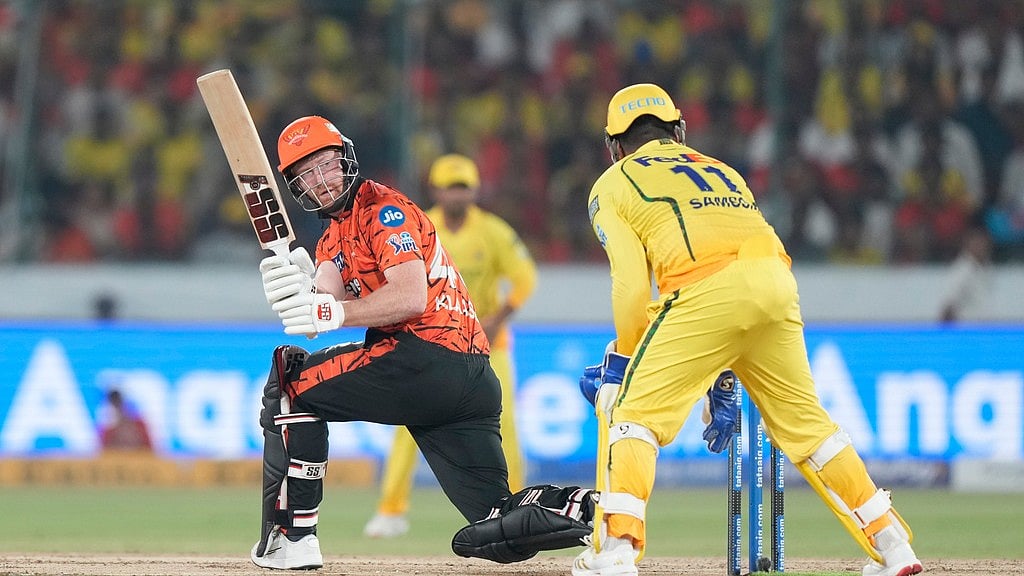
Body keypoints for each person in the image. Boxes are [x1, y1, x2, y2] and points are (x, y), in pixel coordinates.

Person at [573, 84, 923, 576]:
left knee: (634, 416)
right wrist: (721, 375)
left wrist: (627, 363)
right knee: (809, 429)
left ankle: (616, 553)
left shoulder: (611, 185)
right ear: (679, 130)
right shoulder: (723, 169)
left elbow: (632, 285)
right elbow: (733, 311)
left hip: (702, 288)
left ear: (613, 147)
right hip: (776, 281)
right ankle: (893, 547)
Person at [252, 116, 591, 570]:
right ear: (297, 187)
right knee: (496, 524)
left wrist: (328, 310)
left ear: (346, 159)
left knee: (289, 386)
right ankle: (594, 509)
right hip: (469, 380)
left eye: (327, 165)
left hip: (424, 356)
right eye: (307, 175)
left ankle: (292, 537)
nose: (321, 181)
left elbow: (409, 297)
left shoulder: (382, 210)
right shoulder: (333, 235)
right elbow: (319, 314)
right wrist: (297, 291)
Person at [364, 153, 537, 538]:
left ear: (475, 190)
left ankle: (519, 505)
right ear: (437, 190)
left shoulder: (493, 232)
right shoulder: (418, 227)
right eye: (450, 187)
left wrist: (498, 318)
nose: (457, 195)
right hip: (431, 341)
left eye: (464, 187)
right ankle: (391, 510)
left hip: (489, 344)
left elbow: (525, 278)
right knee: (407, 424)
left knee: (504, 424)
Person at [938, 226, 992, 323]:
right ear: (967, 245)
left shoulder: (986, 268)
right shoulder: (961, 270)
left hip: (985, 327)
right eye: (977, 244)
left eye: (983, 244)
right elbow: (949, 302)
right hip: (967, 328)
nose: (981, 247)